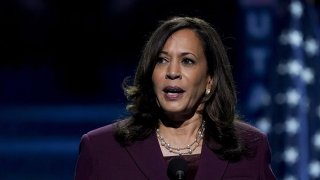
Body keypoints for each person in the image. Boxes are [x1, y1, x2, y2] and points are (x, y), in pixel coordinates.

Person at [74, 16, 276, 180]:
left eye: (187, 61)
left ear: (210, 80)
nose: (172, 72)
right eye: (162, 60)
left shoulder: (250, 147)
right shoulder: (101, 149)